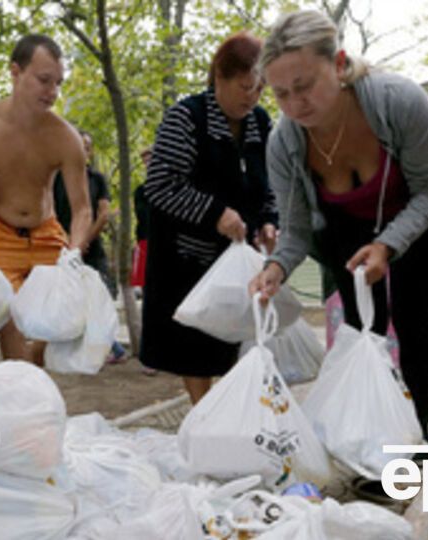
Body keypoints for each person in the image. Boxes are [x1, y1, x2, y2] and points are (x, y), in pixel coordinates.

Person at [249, 11, 428, 451]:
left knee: (413, 320)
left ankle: (419, 432)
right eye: (280, 94)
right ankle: (368, 438)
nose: (296, 104)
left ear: (337, 63)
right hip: (345, 230)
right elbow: (296, 228)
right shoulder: (284, 143)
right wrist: (276, 266)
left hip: (419, 215)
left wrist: (389, 243)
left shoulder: (399, 102)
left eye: (305, 85)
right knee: (360, 328)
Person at [140, 31, 278, 404]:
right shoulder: (187, 118)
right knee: (195, 349)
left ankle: (229, 414)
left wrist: (268, 220)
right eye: (245, 86)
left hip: (237, 259)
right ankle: (204, 413)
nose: (252, 96)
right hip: (187, 260)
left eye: (260, 88)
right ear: (220, 77)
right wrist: (215, 213)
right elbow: (160, 185)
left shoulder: (261, 124)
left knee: (234, 342)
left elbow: (269, 184)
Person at [0, 34, 92, 365]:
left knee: (61, 317)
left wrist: (74, 251)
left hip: (46, 232)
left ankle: (28, 375)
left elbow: (82, 208)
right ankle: (20, 384)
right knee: (8, 312)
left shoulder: (65, 137)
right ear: (15, 72)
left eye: (58, 83)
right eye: (44, 80)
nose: (52, 92)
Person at [52, 129, 127, 364]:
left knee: (98, 295)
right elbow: (50, 210)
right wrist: (68, 241)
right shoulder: (56, 178)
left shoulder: (97, 179)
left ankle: (112, 347)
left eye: (86, 146)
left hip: (91, 248)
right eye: (77, 145)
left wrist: (83, 241)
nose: (82, 150)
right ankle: (95, 348)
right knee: (70, 299)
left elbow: (103, 213)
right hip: (62, 247)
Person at [130, 147, 152, 295]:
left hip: (169, 242)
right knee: (145, 286)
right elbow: (142, 216)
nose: (148, 164)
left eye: (151, 160)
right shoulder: (140, 191)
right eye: (146, 162)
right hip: (145, 240)